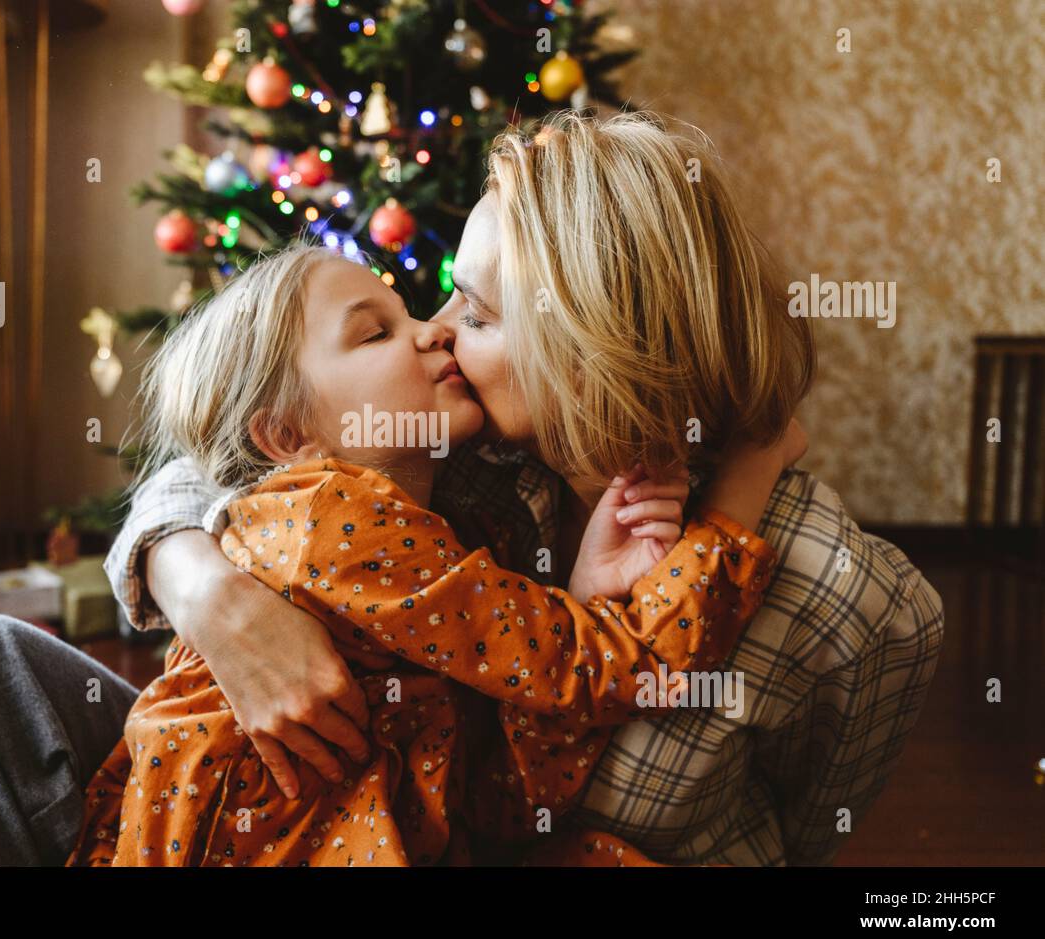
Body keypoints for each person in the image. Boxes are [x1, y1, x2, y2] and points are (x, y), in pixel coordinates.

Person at [112, 112, 944, 866]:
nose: (435, 327)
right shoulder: (444, 444)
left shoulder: (849, 594)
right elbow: (220, 466)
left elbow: (808, 836)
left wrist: (735, 492)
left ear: (589, 354)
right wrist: (209, 592)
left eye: (474, 315)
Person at [63, 245, 787, 867]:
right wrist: (733, 505)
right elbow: (605, 667)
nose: (434, 332)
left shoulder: (448, 532)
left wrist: (582, 595)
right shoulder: (329, 521)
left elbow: (503, 798)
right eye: (376, 333)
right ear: (287, 437)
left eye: (413, 312)